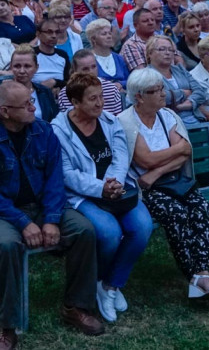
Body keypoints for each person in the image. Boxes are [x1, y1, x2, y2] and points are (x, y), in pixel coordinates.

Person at [0, 80, 104, 347]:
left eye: (32, 101)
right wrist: (23, 222)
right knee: (6, 244)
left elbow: (54, 178)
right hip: (0, 212)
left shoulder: (43, 131)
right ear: (5, 111)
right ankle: (8, 325)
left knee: (84, 230)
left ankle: (76, 307)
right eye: (26, 104)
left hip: (41, 207)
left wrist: (51, 219)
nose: (33, 107)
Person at [51, 73, 152, 324]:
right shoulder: (58, 130)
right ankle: (97, 280)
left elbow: (120, 155)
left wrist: (114, 183)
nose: (100, 104)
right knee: (108, 233)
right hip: (81, 195)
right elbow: (67, 174)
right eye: (92, 99)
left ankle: (110, 285)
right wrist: (101, 188)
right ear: (75, 102)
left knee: (142, 227)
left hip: (116, 190)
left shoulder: (109, 120)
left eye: (102, 97)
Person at [120, 68, 209, 297]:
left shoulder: (167, 115)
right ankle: (197, 275)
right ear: (139, 96)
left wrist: (155, 171)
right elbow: (145, 159)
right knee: (176, 213)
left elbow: (185, 152)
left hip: (171, 180)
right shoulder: (126, 122)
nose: (162, 94)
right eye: (155, 90)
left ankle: (201, 273)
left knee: (201, 207)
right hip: (146, 191)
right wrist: (172, 152)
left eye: (162, 88)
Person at [145, 35, 202, 126]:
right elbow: (156, 97)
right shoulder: (146, 75)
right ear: (150, 53)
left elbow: (200, 91)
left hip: (195, 119)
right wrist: (184, 93)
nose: (167, 53)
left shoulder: (180, 69)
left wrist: (189, 103)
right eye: (162, 49)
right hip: (167, 123)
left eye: (171, 50)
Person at [56, 49, 125, 116]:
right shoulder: (64, 94)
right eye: (85, 69)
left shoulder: (111, 89)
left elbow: (118, 121)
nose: (91, 72)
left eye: (93, 67)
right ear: (75, 71)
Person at [9, 45, 60, 123]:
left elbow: (54, 119)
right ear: (11, 67)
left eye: (27, 66)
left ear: (36, 68)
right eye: (17, 66)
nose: (22, 71)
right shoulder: (4, 94)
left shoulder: (45, 92)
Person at [33, 20, 72, 92]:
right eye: (49, 32)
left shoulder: (62, 55)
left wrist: (55, 83)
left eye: (57, 32)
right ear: (38, 34)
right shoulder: (31, 54)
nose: (54, 36)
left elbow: (69, 82)